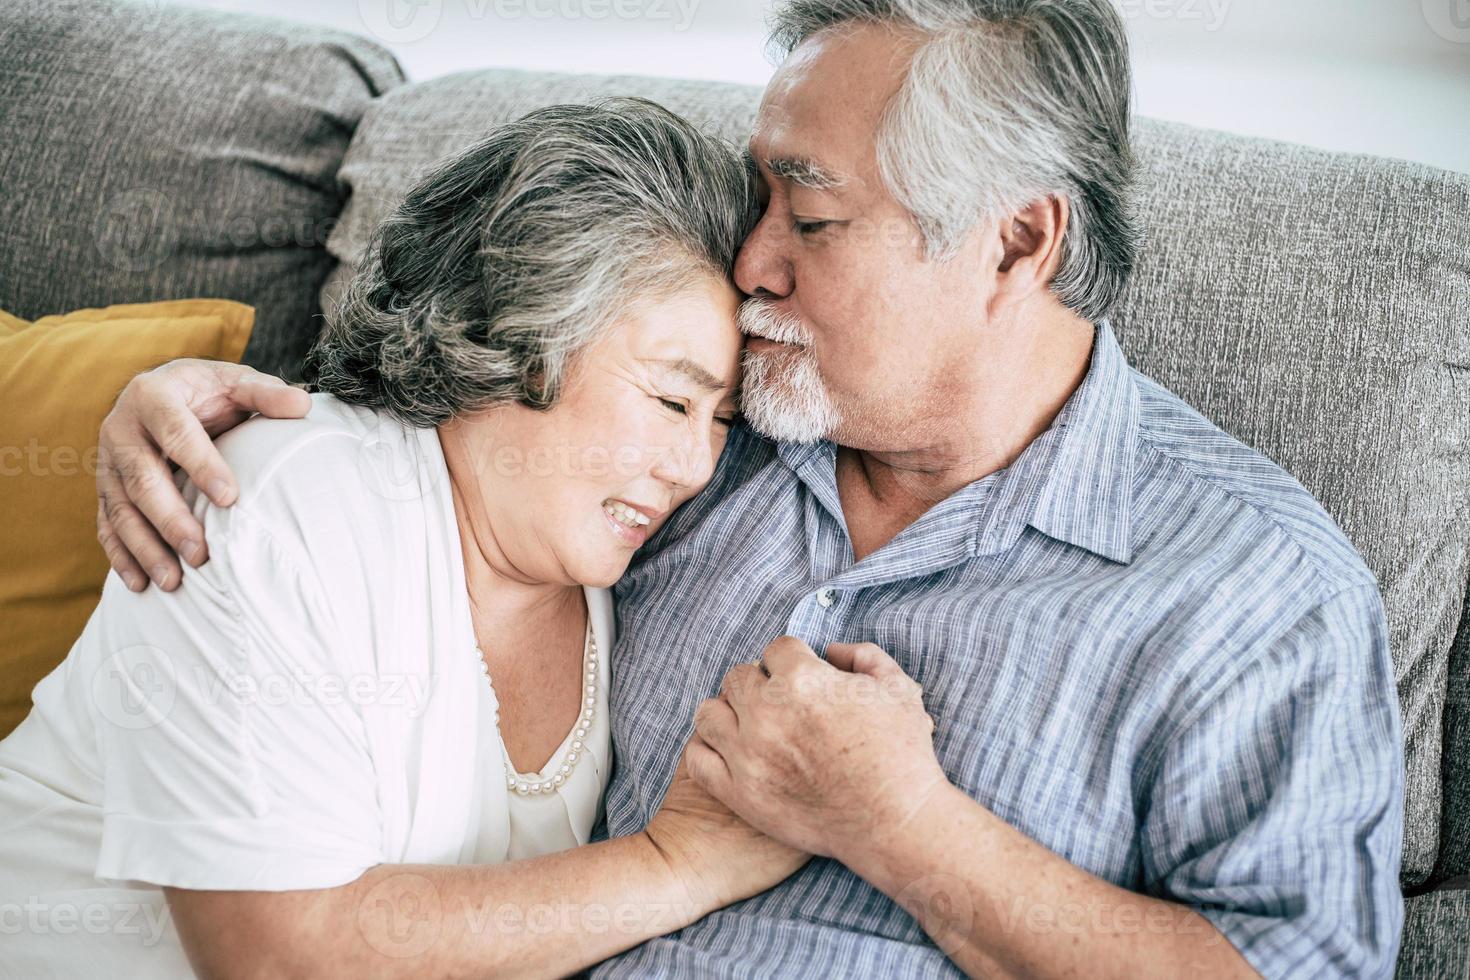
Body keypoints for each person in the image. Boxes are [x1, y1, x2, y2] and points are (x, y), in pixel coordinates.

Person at [93, 1, 1406, 977]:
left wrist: (908, 830)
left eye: (812, 218)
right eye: (757, 197)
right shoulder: (701, 443)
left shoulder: (1252, 590)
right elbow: (443, 400)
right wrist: (183, 400)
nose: (751, 260)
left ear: (1016, 238)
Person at [0, 97, 809, 978]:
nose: (694, 466)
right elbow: (278, 961)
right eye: (668, 400)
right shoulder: (285, 501)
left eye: (722, 419)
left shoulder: (634, 551)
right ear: (517, 330)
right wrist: (677, 865)